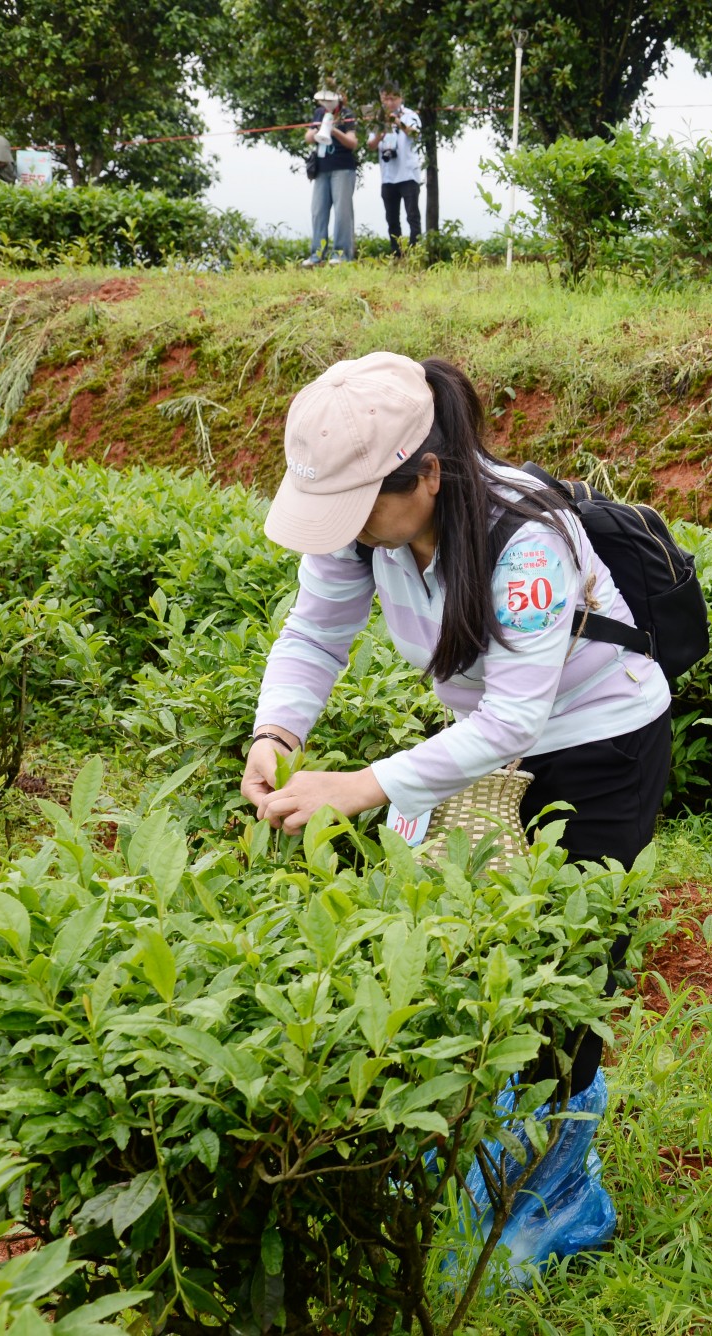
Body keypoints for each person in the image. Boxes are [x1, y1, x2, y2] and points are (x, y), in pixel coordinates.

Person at [239, 352, 674, 1265]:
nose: (349, 530)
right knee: (472, 942)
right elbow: (316, 629)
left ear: (426, 477)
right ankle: (482, 1154)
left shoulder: (527, 537)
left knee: (567, 965)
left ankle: (555, 1201)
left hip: (600, 744)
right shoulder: (372, 525)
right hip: (496, 741)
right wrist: (275, 733)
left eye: (363, 508)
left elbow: (520, 706)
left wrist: (361, 786)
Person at [303, 89, 358, 266]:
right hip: (321, 168)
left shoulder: (347, 113)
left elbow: (353, 142)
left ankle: (342, 255)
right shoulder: (319, 113)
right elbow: (308, 137)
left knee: (342, 212)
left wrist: (334, 131)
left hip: (342, 167)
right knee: (318, 211)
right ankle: (316, 255)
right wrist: (319, 129)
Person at [369, 81, 424, 253]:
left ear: (401, 98)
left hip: (408, 174)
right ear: (381, 98)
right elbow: (371, 144)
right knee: (392, 219)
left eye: (393, 99)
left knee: (412, 216)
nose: (390, 103)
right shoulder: (378, 119)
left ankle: (415, 253)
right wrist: (381, 131)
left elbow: (416, 134)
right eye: (386, 99)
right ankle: (397, 254)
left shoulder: (410, 115)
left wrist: (398, 122)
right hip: (388, 176)